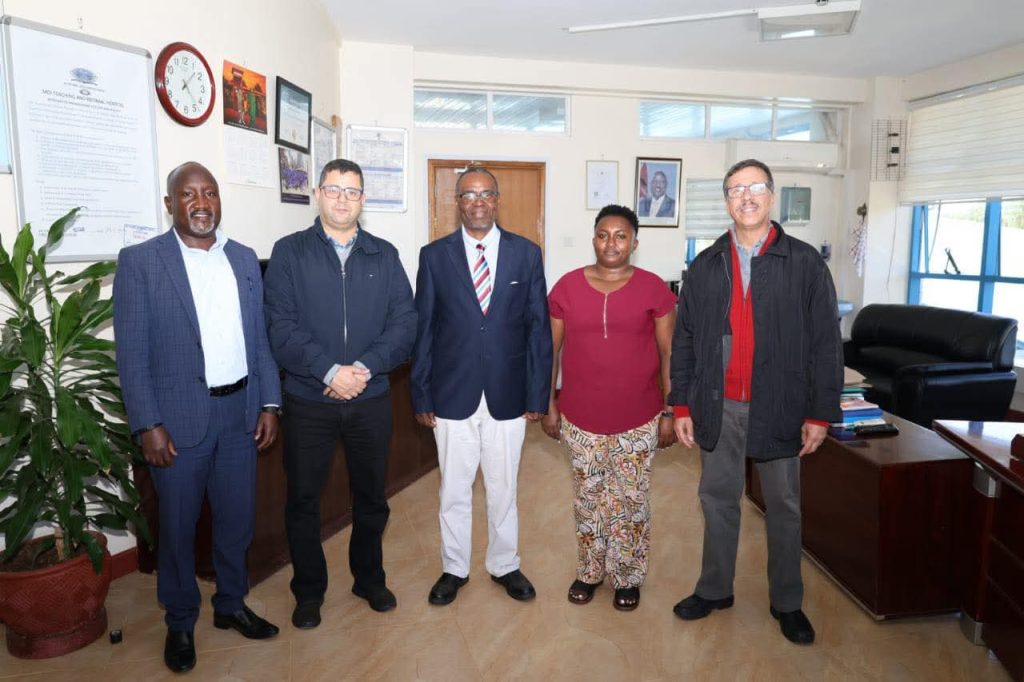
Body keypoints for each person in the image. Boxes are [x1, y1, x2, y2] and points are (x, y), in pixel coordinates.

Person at [113, 162, 281, 673]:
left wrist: (270, 402)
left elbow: (259, 339)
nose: (201, 203)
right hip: (177, 422)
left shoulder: (244, 258)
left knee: (236, 521)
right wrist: (147, 424)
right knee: (179, 529)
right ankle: (181, 620)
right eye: (188, 195)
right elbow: (131, 354)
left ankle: (230, 604)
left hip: (240, 414)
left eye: (209, 193)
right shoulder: (141, 262)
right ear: (170, 204)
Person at [668, 159, 842, 644]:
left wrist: (820, 412)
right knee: (717, 499)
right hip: (717, 404)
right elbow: (685, 340)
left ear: (771, 196)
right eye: (735, 189)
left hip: (781, 404)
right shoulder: (706, 264)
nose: (746, 197)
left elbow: (827, 343)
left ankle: (787, 601)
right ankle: (714, 589)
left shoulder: (804, 263)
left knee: (783, 505)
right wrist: (681, 405)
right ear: (726, 201)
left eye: (755, 187)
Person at [263, 159, 416, 628]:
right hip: (309, 400)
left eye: (352, 192)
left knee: (372, 498)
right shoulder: (289, 252)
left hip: (370, 399)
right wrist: (328, 371)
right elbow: (280, 327)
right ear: (317, 194)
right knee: (303, 501)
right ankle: (309, 591)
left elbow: (405, 324)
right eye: (334, 189)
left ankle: (369, 579)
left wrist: (363, 369)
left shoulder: (384, 255)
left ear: (363, 199)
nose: (342, 199)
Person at [411, 166, 552, 606]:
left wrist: (538, 394)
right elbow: (424, 330)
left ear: (497, 200)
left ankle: (505, 564)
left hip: (509, 394)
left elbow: (538, 331)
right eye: (469, 194)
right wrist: (421, 393)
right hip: (451, 393)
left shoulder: (526, 254)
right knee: (453, 490)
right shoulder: (434, 256)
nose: (478, 202)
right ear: (457, 202)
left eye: (486, 194)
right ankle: (454, 567)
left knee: (503, 487)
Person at [542, 205, 677, 611]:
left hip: (639, 417)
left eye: (621, 236)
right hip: (580, 417)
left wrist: (670, 411)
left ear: (634, 242)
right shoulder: (566, 287)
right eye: (603, 235)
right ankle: (589, 572)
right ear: (594, 239)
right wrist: (548, 404)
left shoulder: (654, 289)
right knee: (588, 498)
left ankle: (628, 577)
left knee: (631, 501)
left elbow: (669, 354)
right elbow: (550, 352)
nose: (611, 243)